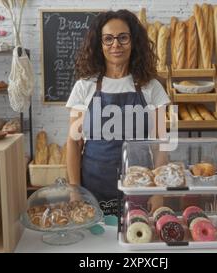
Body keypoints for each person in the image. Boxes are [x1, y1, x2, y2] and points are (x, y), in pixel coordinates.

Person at [65, 9, 171, 216]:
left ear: (134, 41)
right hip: (93, 186)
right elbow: (73, 142)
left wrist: (159, 191)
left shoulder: (151, 87)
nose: (116, 45)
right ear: (99, 44)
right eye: (108, 39)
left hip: (139, 184)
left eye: (123, 37)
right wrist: (75, 190)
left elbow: (162, 144)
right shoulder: (84, 86)